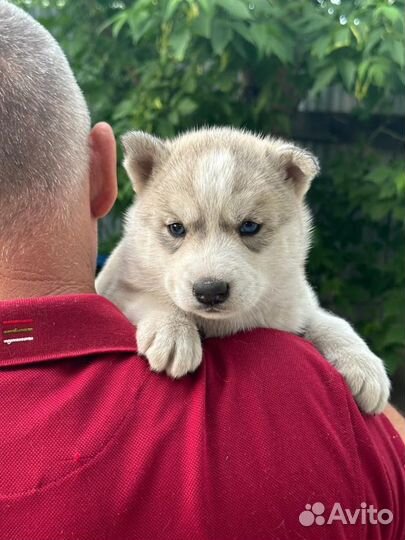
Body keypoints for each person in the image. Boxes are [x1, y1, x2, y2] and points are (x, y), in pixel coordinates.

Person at [0, 3, 404, 539]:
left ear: (294, 187)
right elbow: (121, 295)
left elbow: (307, 315)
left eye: (249, 229)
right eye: (178, 230)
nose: (209, 271)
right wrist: (165, 314)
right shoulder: (317, 408)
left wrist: (344, 343)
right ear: (115, 174)